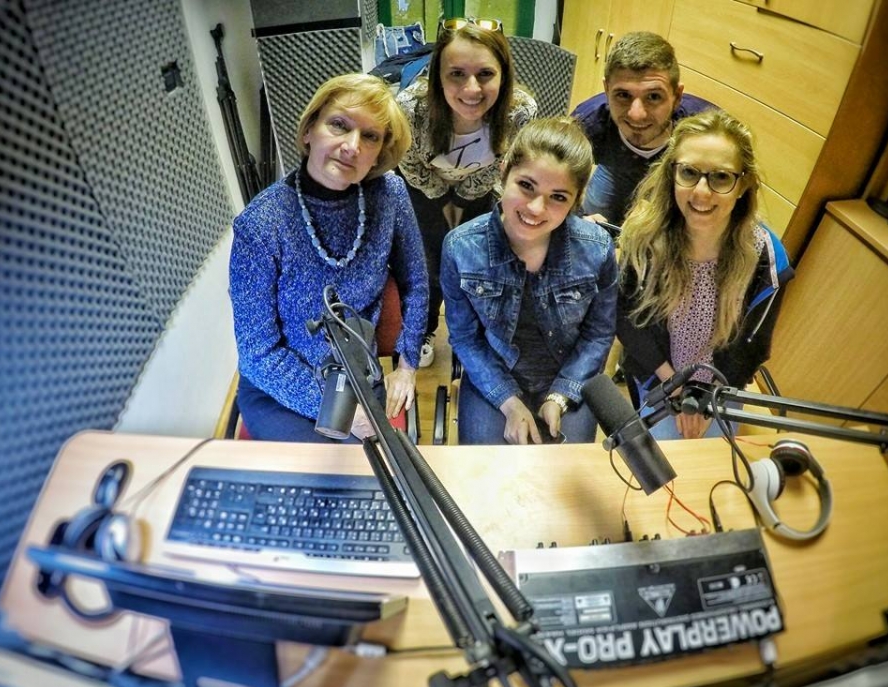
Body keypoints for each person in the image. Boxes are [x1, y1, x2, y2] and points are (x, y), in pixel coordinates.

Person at [229, 73, 429, 443]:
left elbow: (415, 283)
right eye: (339, 125)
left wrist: (408, 363)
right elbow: (257, 353)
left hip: (355, 376)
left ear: (379, 152)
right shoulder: (260, 225)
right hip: (278, 389)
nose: (352, 146)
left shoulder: (390, 195)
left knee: (378, 470)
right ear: (309, 130)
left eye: (370, 136)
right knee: (323, 472)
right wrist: (337, 411)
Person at [617, 109, 794, 440]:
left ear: (743, 185)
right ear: (672, 173)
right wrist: (675, 388)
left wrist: (705, 398)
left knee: (711, 460)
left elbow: (751, 348)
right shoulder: (642, 238)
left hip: (722, 383)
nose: (701, 192)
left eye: (721, 177)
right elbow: (627, 320)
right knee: (661, 459)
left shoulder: (768, 256)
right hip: (660, 375)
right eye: (689, 172)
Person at [440, 116, 618, 445]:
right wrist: (508, 402)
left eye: (558, 197)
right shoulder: (460, 247)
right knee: (484, 470)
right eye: (526, 186)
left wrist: (561, 396)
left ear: (577, 200)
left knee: (567, 472)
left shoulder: (597, 248)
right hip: (495, 376)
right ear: (504, 172)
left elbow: (598, 335)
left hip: (569, 374)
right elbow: (465, 338)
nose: (536, 208)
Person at [397, 18, 537, 367]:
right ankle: (424, 328)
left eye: (485, 74)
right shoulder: (410, 109)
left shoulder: (520, 111)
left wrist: (462, 199)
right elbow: (408, 162)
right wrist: (441, 199)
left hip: (480, 189)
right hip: (424, 188)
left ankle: (472, 334)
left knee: (478, 262)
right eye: (456, 74)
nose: (471, 89)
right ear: (438, 75)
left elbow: (505, 162)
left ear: (503, 75)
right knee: (427, 264)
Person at [572, 31, 714, 226]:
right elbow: (554, 180)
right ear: (606, 90)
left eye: (654, 97)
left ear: (677, 96)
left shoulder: (707, 132)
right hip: (615, 169)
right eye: (623, 95)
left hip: (676, 184)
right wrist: (578, 218)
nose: (636, 115)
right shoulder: (586, 123)